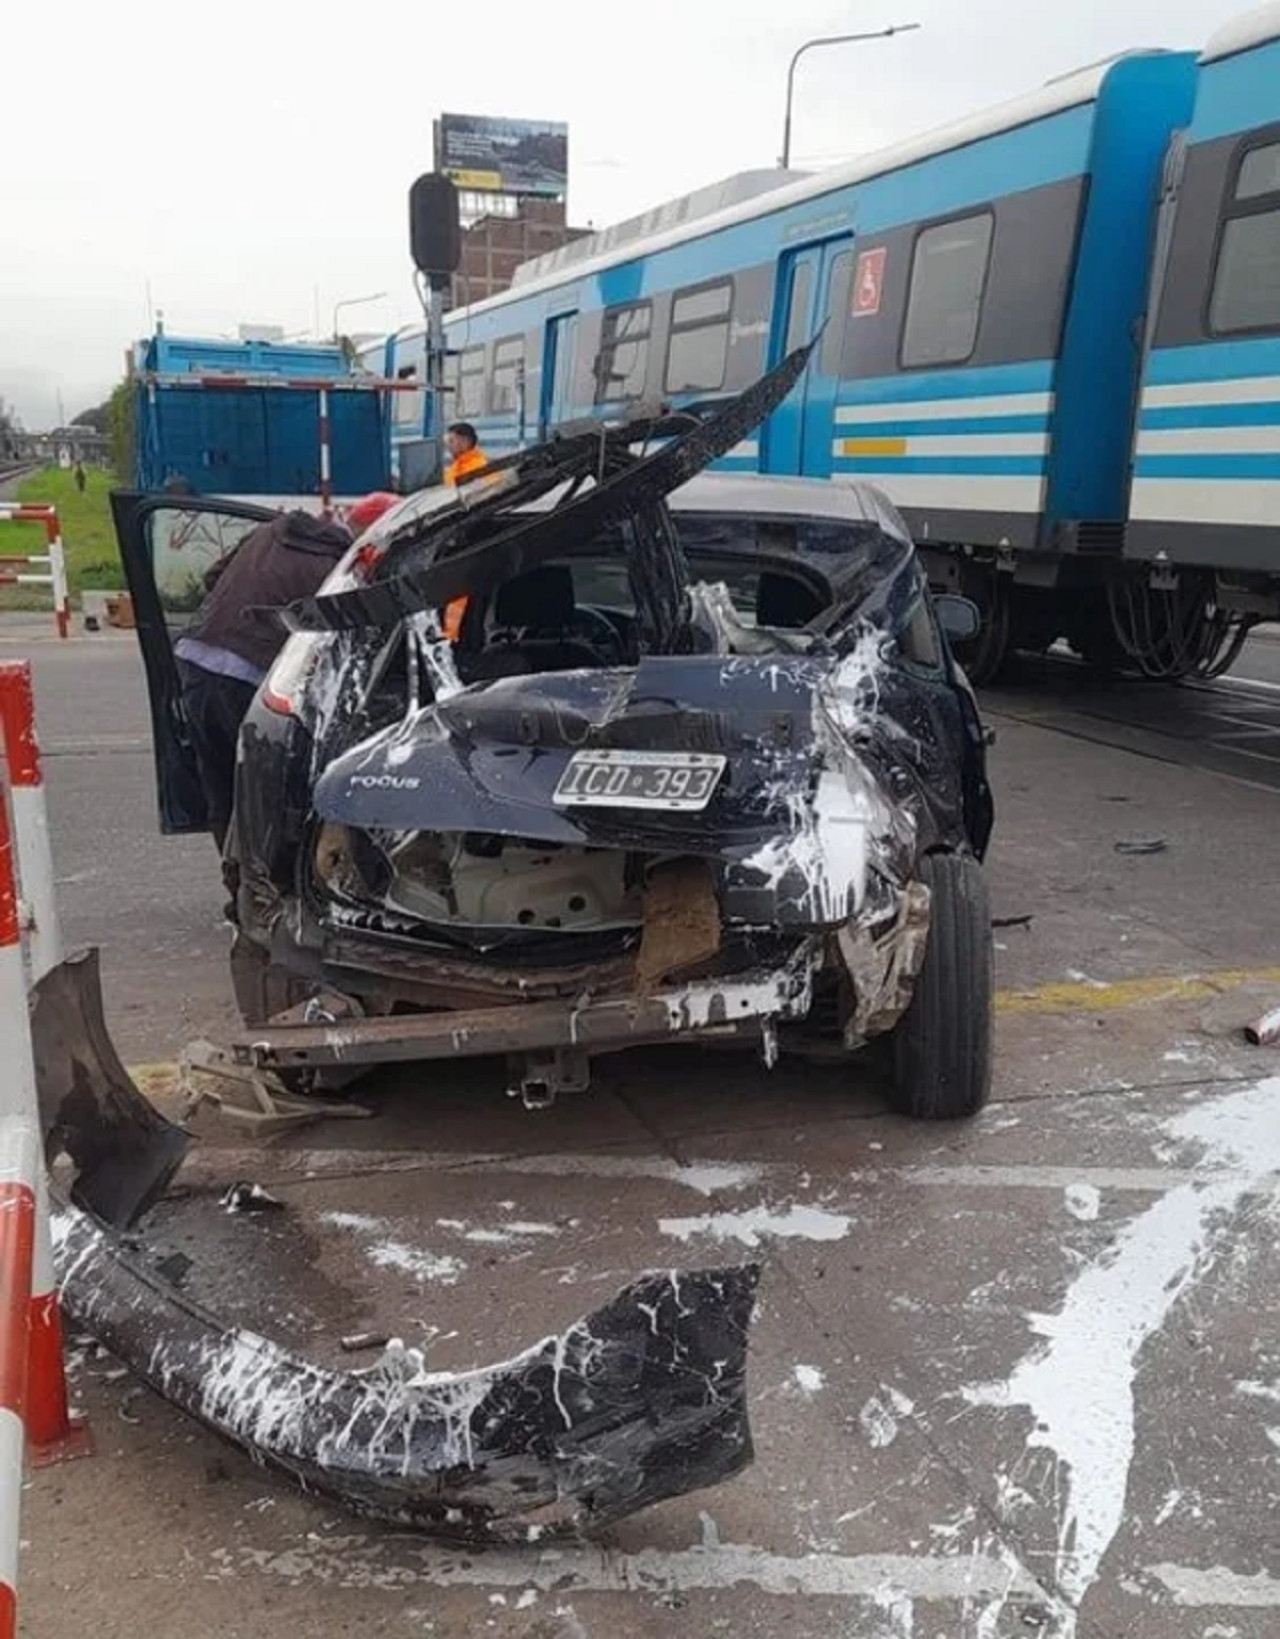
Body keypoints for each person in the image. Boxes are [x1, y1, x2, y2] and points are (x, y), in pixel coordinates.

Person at [175, 492, 398, 852]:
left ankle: (239, 891)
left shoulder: (274, 530)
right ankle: (263, 893)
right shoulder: (341, 567)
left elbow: (212, 576)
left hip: (196, 661)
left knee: (220, 785)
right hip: (249, 679)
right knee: (267, 799)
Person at [444, 422, 488, 486]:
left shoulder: (480, 468)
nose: (448, 445)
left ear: (466, 441)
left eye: (451, 441)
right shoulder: (455, 466)